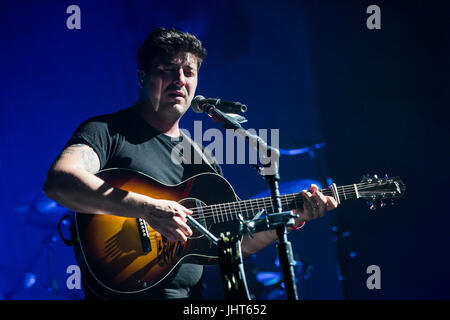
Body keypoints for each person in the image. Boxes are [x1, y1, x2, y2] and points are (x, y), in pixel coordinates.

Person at [43, 27, 338, 300]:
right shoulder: (107, 131)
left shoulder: (202, 157)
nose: (180, 79)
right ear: (142, 76)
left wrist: (292, 218)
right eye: (168, 69)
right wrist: (148, 208)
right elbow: (61, 181)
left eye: (188, 71)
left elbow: (234, 243)